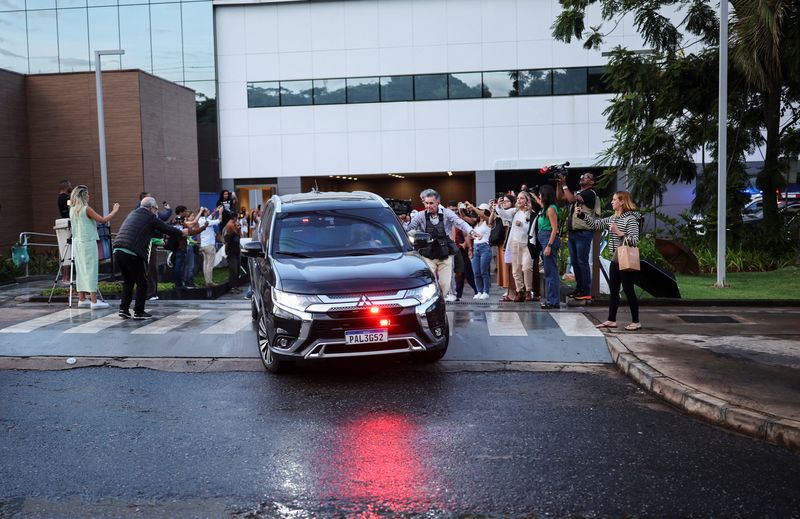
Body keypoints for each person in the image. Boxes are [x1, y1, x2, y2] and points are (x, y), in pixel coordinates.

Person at [577, 191, 642, 330]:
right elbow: (596, 224)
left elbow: (634, 240)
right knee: (614, 290)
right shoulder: (613, 218)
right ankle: (611, 320)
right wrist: (582, 215)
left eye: (614, 200)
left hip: (625, 259)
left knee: (628, 290)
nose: (612, 202)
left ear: (622, 202)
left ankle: (636, 321)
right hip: (615, 258)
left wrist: (618, 232)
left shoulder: (630, 219)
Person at [113, 197, 187, 319]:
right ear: (152, 208)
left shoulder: (133, 213)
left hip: (118, 250)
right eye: (156, 209)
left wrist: (163, 237)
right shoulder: (150, 217)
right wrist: (181, 233)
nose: (156, 212)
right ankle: (139, 311)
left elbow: (153, 231)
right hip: (131, 251)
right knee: (142, 282)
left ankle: (123, 309)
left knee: (128, 282)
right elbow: (165, 228)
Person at [403, 189, 481, 302]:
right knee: (429, 281)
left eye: (431, 203)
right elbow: (408, 229)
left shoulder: (447, 213)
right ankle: (429, 303)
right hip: (427, 253)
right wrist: (400, 223)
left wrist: (472, 232)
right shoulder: (420, 215)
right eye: (426, 203)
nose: (428, 206)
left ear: (438, 203)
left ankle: (439, 301)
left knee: (445, 284)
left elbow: (460, 223)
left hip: (445, 253)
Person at [68, 185, 119, 309]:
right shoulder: (86, 209)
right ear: (83, 196)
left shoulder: (72, 209)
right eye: (88, 194)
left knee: (80, 270)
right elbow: (102, 220)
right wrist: (114, 210)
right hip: (88, 242)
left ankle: (82, 299)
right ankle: (94, 301)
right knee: (91, 270)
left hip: (77, 243)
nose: (89, 196)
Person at [559, 172, 600, 301]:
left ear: (592, 182)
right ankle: (579, 289)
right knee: (575, 262)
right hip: (573, 232)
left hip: (584, 232)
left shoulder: (589, 193)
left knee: (582, 262)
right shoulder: (578, 193)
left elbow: (571, 199)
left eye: (586, 177)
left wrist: (564, 184)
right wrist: (559, 184)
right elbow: (560, 198)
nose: (582, 177)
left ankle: (586, 290)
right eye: (582, 176)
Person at [494, 190, 537, 302]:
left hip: (527, 244)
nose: (519, 200)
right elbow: (503, 214)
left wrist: (522, 225)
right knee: (516, 269)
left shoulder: (531, 213)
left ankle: (528, 291)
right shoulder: (514, 211)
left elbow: (532, 229)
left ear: (527, 200)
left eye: (522, 198)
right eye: (518, 198)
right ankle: (520, 291)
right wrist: (499, 205)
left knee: (527, 268)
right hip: (515, 243)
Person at [139, 192, 172, 301]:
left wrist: (168, 210)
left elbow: (161, 222)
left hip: (150, 243)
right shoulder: (145, 214)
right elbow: (160, 227)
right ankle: (150, 293)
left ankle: (152, 292)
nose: (156, 208)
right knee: (150, 268)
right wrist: (177, 233)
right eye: (154, 206)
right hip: (147, 244)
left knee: (152, 269)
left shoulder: (147, 213)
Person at [532, 185, 561, 309]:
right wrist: (533, 196)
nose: (539, 197)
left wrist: (549, 245)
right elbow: (540, 204)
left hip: (548, 239)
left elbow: (555, 229)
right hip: (544, 238)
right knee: (549, 271)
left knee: (551, 272)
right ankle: (552, 300)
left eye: (540, 195)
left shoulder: (550, 210)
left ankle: (553, 301)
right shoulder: (547, 207)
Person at [491, 194, 518, 302]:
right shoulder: (508, 212)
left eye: (507, 201)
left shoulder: (515, 211)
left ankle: (515, 292)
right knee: (507, 268)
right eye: (504, 201)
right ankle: (510, 292)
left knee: (513, 269)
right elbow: (490, 221)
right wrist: (496, 207)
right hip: (506, 243)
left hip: (514, 243)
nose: (504, 203)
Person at [467, 202, 493, 299]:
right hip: (476, 247)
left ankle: (486, 292)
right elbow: (464, 218)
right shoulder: (476, 223)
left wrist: (472, 207)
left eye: (481, 210)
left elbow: (483, 215)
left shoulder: (488, 221)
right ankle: (479, 291)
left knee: (483, 271)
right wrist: (463, 210)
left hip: (485, 247)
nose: (479, 212)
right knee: (476, 272)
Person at [197, 206, 222, 287]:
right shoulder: (207, 221)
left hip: (203, 245)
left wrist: (216, 211)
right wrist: (220, 212)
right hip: (210, 246)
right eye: (207, 210)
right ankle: (209, 282)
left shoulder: (201, 220)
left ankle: (207, 281)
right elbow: (219, 220)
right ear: (204, 213)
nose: (209, 211)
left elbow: (211, 216)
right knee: (209, 265)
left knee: (205, 264)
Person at [224, 217, 243, 292]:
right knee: (233, 271)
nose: (239, 227)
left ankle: (236, 286)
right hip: (232, 254)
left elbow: (240, 236)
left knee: (237, 270)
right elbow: (227, 244)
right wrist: (226, 253)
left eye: (239, 225)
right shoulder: (231, 234)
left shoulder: (237, 234)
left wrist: (239, 230)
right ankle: (232, 287)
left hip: (237, 253)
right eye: (238, 225)